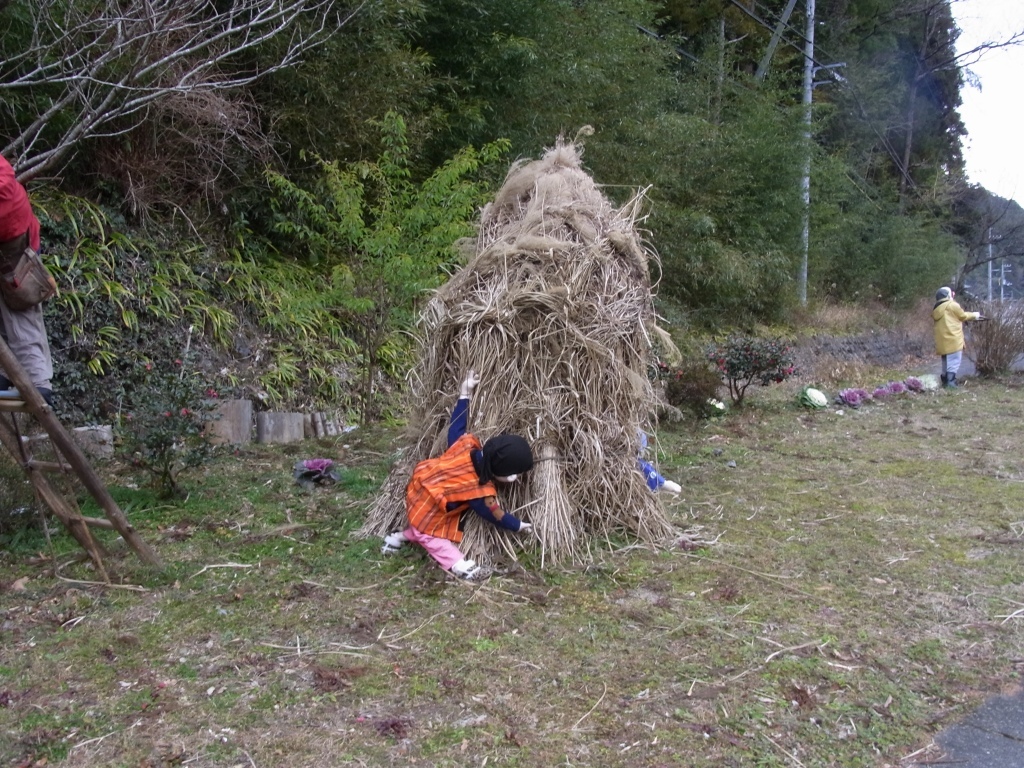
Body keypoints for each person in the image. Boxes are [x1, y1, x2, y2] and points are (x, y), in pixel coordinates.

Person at [382, 370, 534, 579]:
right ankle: (460, 566)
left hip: (418, 490)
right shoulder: (479, 491)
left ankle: (396, 538)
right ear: (506, 474)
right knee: (432, 538)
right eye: (514, 474)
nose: (513, 478)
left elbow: (457, 425)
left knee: (420, 530)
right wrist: (517, 525)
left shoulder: (464, 446)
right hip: (427, 508)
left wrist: (465, 393)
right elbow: (495, 514)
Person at [0, 155, 54, 405]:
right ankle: (5, 375)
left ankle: (37, 382)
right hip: (15, 226)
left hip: (12, 232)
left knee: (19, 302)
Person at [932, 286, 982, 389]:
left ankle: (945, 381)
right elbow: (962, 316)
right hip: (953, 338)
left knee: (946, 362)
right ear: (948, 295)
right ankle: (950, 383)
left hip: (942, 340)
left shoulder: (937, 308)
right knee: (954, 361)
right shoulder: (952, 305)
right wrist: (975, 315)